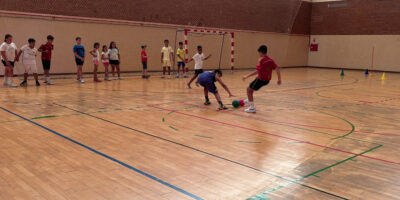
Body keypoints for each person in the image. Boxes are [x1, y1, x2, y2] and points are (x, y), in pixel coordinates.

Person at [242, 45, 282, 113]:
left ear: (261, 52)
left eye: (259, 52)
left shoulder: (261, 60)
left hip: (261, 80)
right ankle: (249, 101)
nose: (258, 54)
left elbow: (257, 71)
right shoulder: (271, 60)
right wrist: (279, 79)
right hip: (267, 81)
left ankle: (252, 108)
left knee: (248, 89)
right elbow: (277, 69)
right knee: (251, 88)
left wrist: (247, 76)